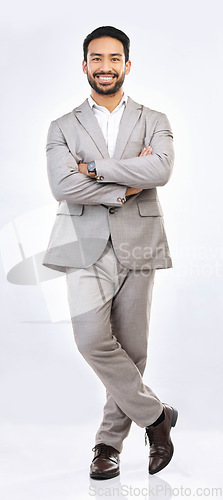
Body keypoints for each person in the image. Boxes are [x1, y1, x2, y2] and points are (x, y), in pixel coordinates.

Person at [43, 25, 178, 479]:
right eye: (96, 59)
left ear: (127, 64)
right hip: (82, 245)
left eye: (114, 58)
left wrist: (95, 169)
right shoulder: (62, 126)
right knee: (92, 341)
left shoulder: (154, 119)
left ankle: (107, 445)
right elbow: (62, 185)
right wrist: (125, 187)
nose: (105, 67)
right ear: (85, 65)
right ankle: (156, 417)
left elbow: (160, 169)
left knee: (133, 348)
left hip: (139, 244)